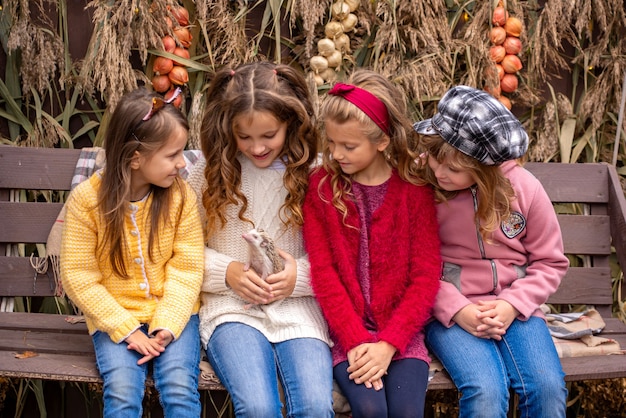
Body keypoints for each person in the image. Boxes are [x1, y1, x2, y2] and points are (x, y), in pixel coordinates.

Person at [185, 61, 334, 418]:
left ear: (292, 124)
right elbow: (180, 251)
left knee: (315, 406)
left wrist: (300, 277)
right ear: (228, 128)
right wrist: (228, 272)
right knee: (258, 407)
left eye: (269, 135)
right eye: (244, 136)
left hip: (300, 310)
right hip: (231, 309)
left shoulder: (316, 173)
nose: (257, 147)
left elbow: (341, 257)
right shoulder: (209, 175)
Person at [414, 85, 569, 418]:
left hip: (516, 309)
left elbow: (550, 262)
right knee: (486, 390)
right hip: (449, 312)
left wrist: (512, 304)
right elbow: (415, 266)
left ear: (485, 169)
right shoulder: (423, 192)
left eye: (454, 169)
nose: (440, 173)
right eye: (436, 160)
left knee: (546, 387)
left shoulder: (524, 190)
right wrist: (457, 309)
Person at [302, 69, 442, 418]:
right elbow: (324, 272)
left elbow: (425, 277)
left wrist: (389, 344)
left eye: (348, 146)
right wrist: (356, 340)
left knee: (407, 412)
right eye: (331, 143)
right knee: (370, 411)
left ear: (382, 141)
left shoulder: (414, 191)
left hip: (402, 336)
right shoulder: (322, 187)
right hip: (346, 336)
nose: (336, 154)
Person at [60, 87, 205, 417]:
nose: (182, 164)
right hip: (113, 316)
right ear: (135, 157)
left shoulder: (180, 198)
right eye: (172, 155)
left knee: (180, 386)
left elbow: (187, 268)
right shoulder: (88, 201)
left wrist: (168, 323)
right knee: (124, 390)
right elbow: (79, 276)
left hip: (173, 313)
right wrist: (126, 329)